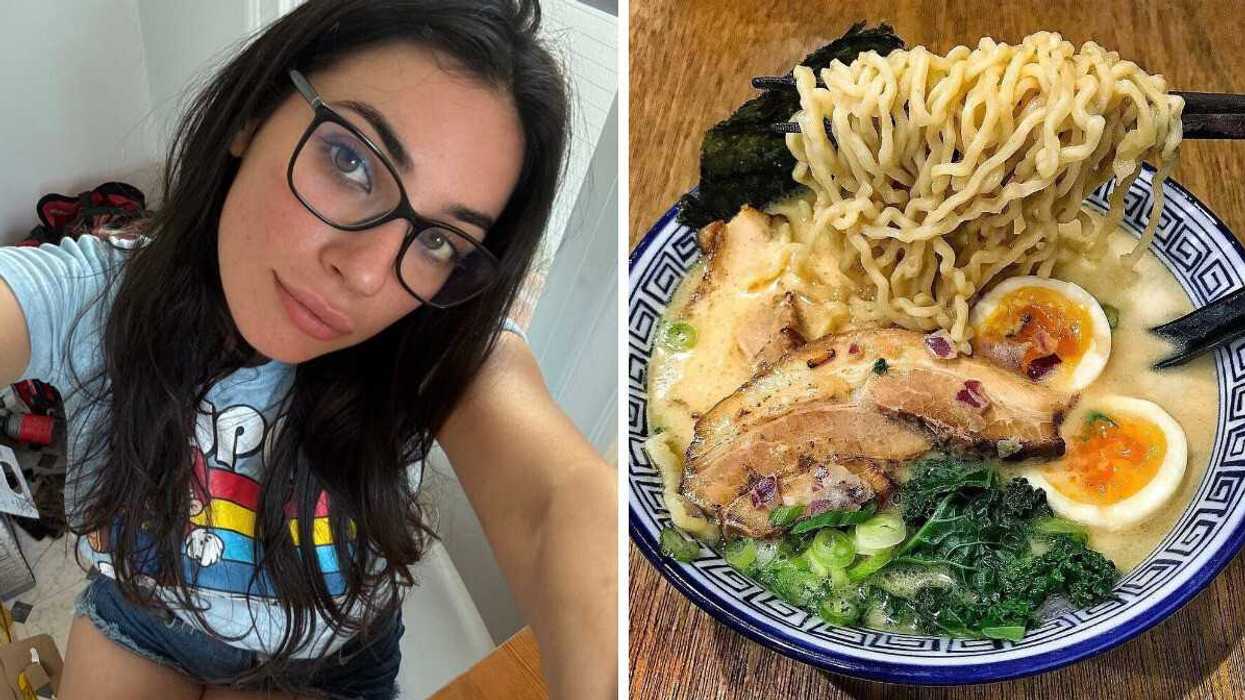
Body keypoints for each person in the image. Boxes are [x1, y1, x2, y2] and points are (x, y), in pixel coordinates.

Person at [0, 1, 617, 698]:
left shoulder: (434, 342)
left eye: (439, 240)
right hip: (142, 622)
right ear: (253, 115)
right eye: (351, 162)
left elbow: (556, 502)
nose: (365, 273)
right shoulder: (92, 295)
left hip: (326, 658)